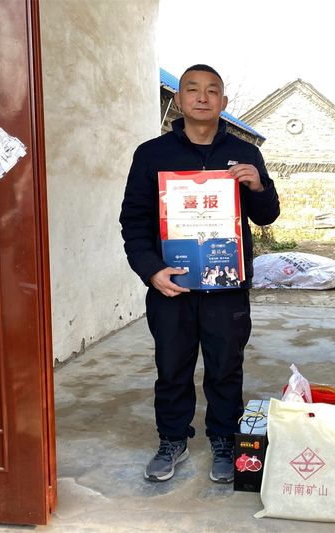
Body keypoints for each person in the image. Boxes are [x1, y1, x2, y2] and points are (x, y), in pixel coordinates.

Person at [119, 64, 280, 484]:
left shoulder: (246, 154)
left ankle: (224, 440)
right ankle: (172, 439)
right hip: (172, 285)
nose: (202, 97)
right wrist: (151, 271)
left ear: (223, 102)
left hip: (226, 285)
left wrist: (258, 186)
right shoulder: (152, 154)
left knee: (226, 367)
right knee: (172, 366)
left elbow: (267, 216)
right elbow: (133, 222)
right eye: (192, 89)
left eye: (212, 91)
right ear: (179, 99)